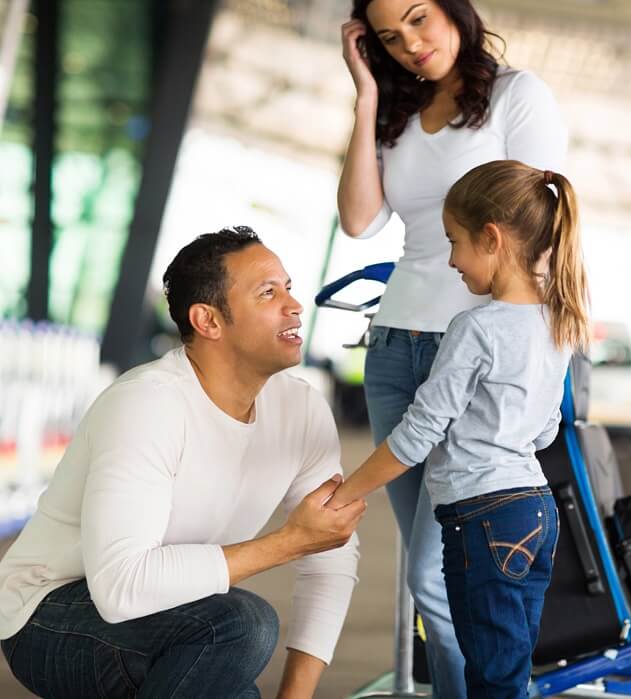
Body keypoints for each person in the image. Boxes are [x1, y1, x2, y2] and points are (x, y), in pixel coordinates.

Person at [0, 227, 366, 699]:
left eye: (289, 288)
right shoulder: (147, 404)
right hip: (50, 613)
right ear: (208, 321)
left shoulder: (301, 408)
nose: (294, 306)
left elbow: (331, 557)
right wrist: (290, 542)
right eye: (268, 292)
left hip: (173, 613)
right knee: (241, 624)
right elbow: (120, 588)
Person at [337, 1, 568, 695]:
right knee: (433, 573)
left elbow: (541, 223)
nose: (408, 43)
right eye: (387, 37)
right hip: (395, 345)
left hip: (476, 355)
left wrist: (542, 349)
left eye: (418, 19)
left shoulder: (516, 96)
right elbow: (357, 220)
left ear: (456, 12)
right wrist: (368, 97)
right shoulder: (397, 110)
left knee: (435, 577)